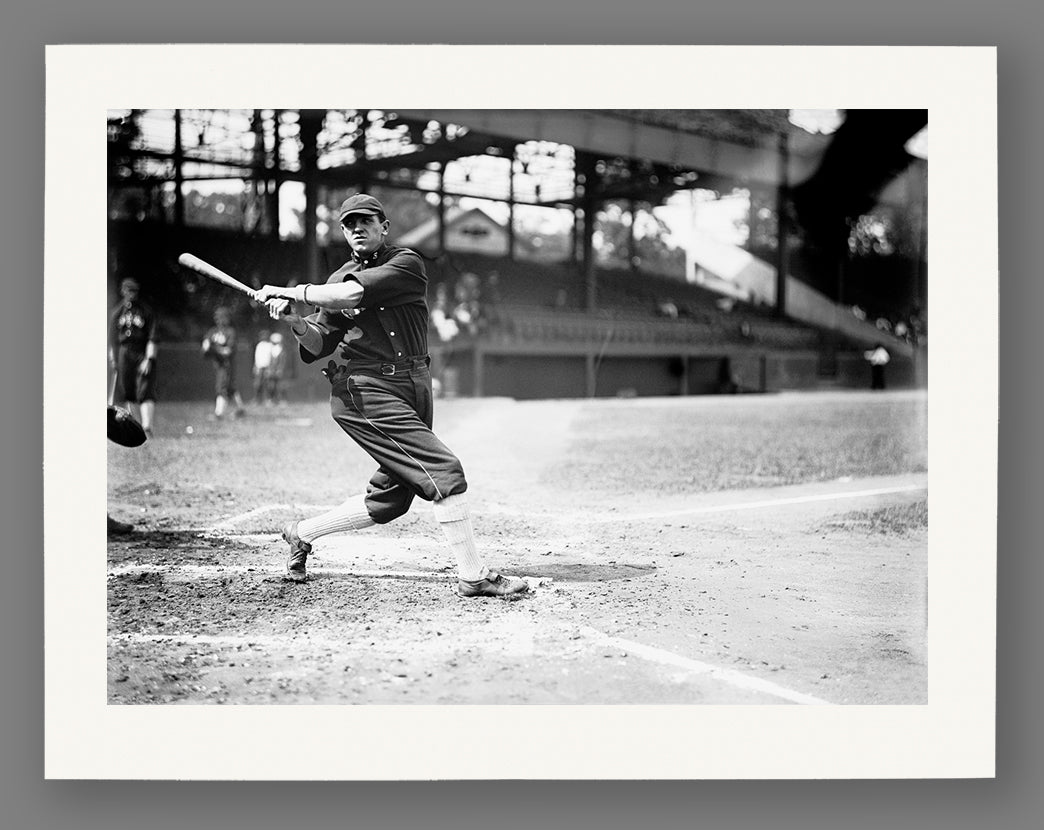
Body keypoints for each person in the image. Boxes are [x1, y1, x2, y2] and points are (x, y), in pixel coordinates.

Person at [255, 192, 528, 598]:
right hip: (361, 390)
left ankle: (301, 533)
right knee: (444, 471)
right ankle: (473, 574)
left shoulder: (406, 263)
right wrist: (296, 321)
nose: (357, 228)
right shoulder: (333, 282)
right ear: (344, 233)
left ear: (384, 226)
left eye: (366, 221)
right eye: (349, 224)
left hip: (413, 383)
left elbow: (352, 295)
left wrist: (293, 292)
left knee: (392, 498)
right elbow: (317, 345)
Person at [108, 277, 158, 436]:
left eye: (135, 291)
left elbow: (153, 336)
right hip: (124, 352)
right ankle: (137, 428)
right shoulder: (116, 313)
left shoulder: (146, 311)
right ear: (123, 291)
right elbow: (112, 339)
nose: (132, 294)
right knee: (128, 389)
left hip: (141, 350)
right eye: (129, 290)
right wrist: (113, 359)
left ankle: (148, 426)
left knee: (145, 388)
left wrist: (149, 359)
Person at [201, 306, 246, 419]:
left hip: (227, 364)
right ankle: (240, 409)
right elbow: (205, 349)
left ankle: (219, 413)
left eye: (222, 317)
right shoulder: (213, 332)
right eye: (217, 317)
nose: (219, 320)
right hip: (218, 364)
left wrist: (213, 348)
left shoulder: (230, 332)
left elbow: (227, 351)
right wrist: (207, 347)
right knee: (230, 387)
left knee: (222, 387)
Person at [267, 331, 289, 406]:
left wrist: (280, 369)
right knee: (271, 386)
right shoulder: (270, 349)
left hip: (279, 371)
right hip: (272, 371)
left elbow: (283, 361)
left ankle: (282, 400)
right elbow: (269, 361)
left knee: (280, 386)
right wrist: (269, 369)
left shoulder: (282, 350)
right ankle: (271, 400)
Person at [253, 329, 274, 406]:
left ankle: (269, 400)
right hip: (259, 367)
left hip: (267, 367)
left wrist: (270, 368)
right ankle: (257, 400)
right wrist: (255, 366)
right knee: (258, 384)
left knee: (268, 385)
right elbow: (256, 357)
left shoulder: (270, 345)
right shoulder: (259, 345)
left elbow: (271, 357)